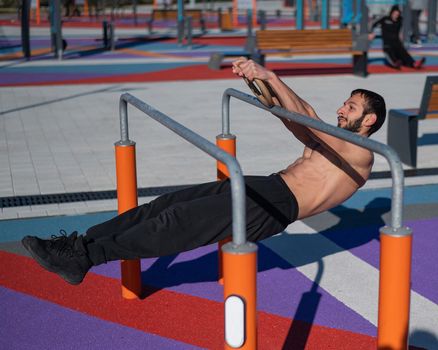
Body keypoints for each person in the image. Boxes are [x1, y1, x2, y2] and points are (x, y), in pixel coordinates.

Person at [21, 58, 387, 286]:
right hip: (267, 186)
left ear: (369, 120)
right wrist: (264, 85)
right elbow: (299, 118)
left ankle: (87, 258)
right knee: (163, 205)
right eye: (344, 103)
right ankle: (78, 246)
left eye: (351, 107)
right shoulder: (335, 138)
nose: (342, 109)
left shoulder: (361, 154)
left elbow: (308, 120)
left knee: (178, 222)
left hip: (276, 207)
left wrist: (273, 77)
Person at [369, 5, 426, 69]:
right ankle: (395, 62)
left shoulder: (400, 20)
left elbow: (402, 30)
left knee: (403, 53)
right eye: (394, 14)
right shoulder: (385, 19)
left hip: (397, 43)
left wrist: (402, 38)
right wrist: (371, 33)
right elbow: (373, 24)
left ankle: (413, 63)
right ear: (391, 13)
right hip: (387, 44)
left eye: (397, 14)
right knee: (390, 53)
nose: (396, 16)